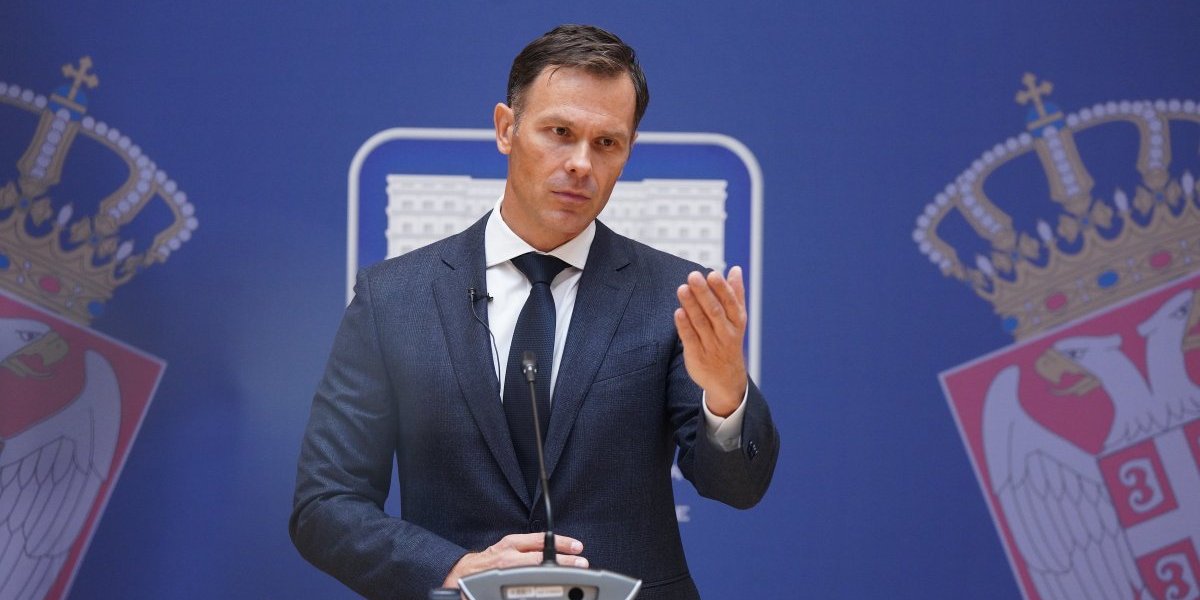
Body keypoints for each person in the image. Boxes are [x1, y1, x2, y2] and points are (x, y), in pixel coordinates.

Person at [290, 24, 779, 600]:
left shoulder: (671, 296)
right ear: (507, 128)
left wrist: (725, 391)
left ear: (627, 152)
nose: (581, 163)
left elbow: (738, 487)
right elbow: (326, 504)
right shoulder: (394, 298)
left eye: (607, 143)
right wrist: (454, 568)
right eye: (560, 132)